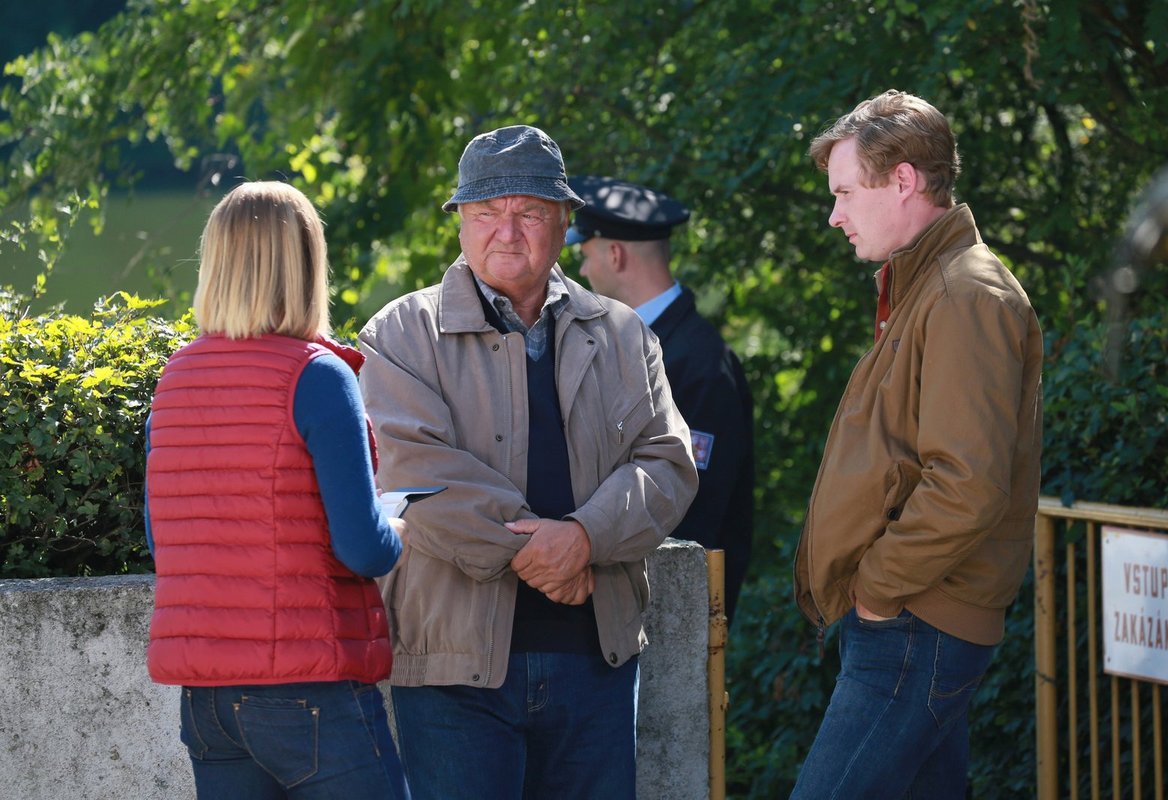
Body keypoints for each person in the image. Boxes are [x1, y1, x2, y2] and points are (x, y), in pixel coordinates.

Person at [358, 125, 698, 800]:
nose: (506, 232)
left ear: (565, 221)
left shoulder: (625, 335)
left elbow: (667, 463)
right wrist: (539, 552)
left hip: (594, 667)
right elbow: (410, 472)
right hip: (452, 673)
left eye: (530, 213)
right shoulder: (398, 334)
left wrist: (582, 538)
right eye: (486, 212)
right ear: (458, 221)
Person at [790, 90, 1043, 798]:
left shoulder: (966, 293)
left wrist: (875, 589)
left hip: (913, 620)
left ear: (903, 180)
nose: (834, 214)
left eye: (845, 192)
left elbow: (967, 484)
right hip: (909, 616)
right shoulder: (930, 285)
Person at [143, 181, 409, 800]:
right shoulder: (318, 376)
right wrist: (397, 530)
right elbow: (361, 549)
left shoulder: (173, 379)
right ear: (306, 265)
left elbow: (166, 541)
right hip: (312, 689)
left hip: (208, 701)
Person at [566, 175, 755, 624]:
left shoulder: (699, 363)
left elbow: (691, 510)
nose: (585, 272)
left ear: (614, 254)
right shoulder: (629, 344)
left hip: (672, 615)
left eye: (586, 256)